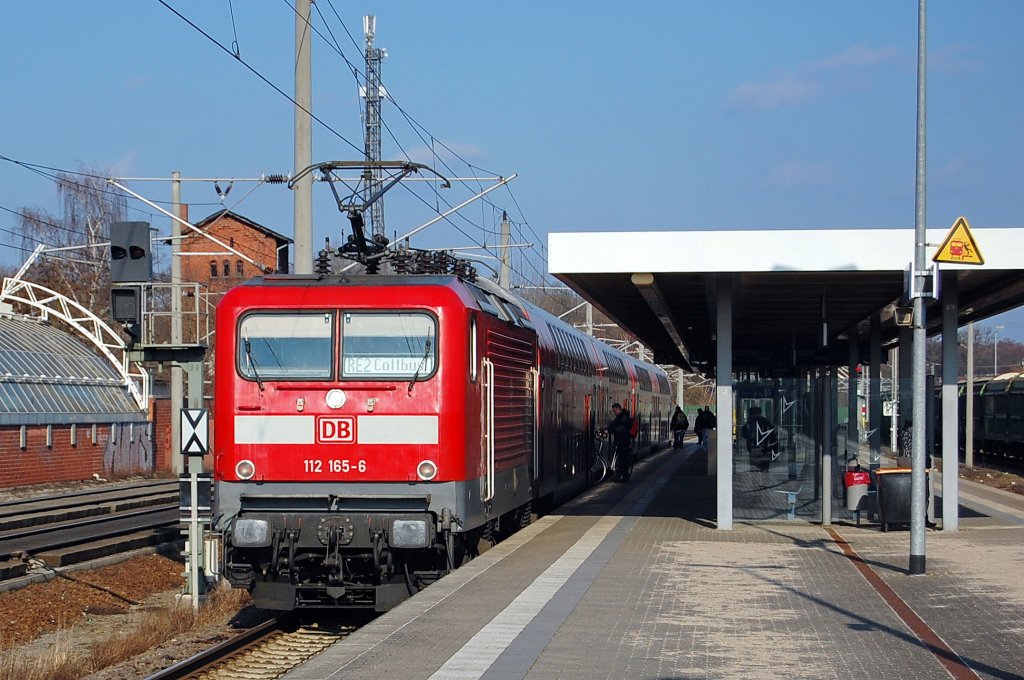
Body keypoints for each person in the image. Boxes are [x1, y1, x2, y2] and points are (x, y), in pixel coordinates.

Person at [741, 406, 777, 471]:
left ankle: (755, 480)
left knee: (754, 471)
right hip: (765, 449)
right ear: (760, 413)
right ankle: (765, 480)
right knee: (765, 470)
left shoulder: (748, 423)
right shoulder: (766, 422)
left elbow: (744, 435)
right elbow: (772, 435)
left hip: (753, 449)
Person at [607, 402, 633, 481]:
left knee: (622, 459)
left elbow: (621, 428)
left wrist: (613, 431)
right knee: (623, 459)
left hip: (623, 441)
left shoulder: (624, 417)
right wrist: (607, 429)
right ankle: (625, 477)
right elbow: (613, 425)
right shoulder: (619, 417)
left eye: (615, 411)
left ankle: (618, 476)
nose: (614, 413)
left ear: (618, 409)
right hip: (621, 441)